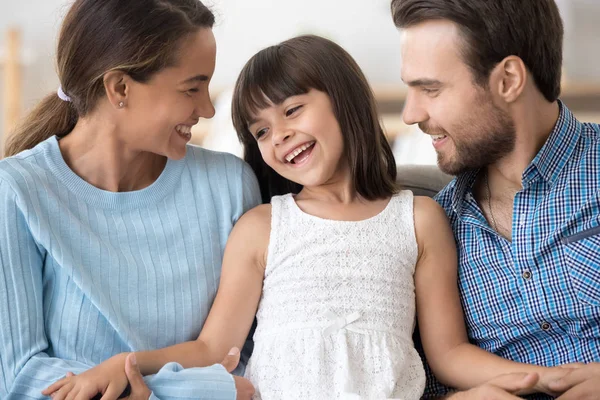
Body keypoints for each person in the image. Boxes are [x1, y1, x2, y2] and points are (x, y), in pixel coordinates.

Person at [45, 34, 573, 400]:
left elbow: (449, 353)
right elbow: (212, 348)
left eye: (293, 111)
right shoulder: (262, 226)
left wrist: (550, 378)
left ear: (343, 100)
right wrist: (128, 363)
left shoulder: (420, 218)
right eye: (261, 131)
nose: (280, 137)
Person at [0, 0, 260, 399]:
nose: (207, 109)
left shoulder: (229, 187)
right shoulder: (17, 192)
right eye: (192, 88)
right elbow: (19, 378)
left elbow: (246, 362)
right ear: (119, 87)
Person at [390, 0, 600, 398]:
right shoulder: (428, 228)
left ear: (508, 79)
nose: (410, 113)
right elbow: (410, 380)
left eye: (430, 88)